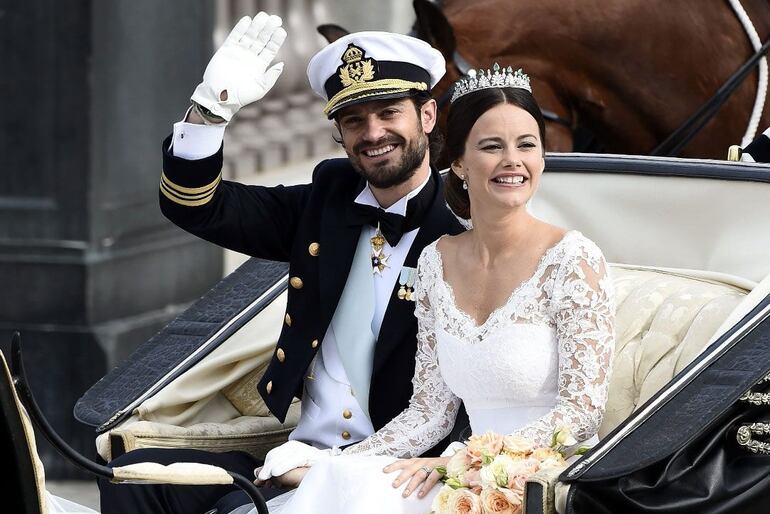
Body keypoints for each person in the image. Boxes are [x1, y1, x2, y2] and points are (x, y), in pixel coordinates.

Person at [97, 12, 467, 514]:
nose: (373, 133)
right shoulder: (326, 200)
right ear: (338, 132)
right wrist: (211, 111)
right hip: (294, 454)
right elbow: (196, 205)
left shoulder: (464, 230)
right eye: (353, 120)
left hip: (396, 474)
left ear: (425, 116)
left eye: (388, 113)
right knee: (135, 479)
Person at [244, 65, 616, 513]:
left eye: (527, 145)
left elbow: (580, 415)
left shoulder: (573, 260)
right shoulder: (437, 260)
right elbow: (430, 412)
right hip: (455, 473)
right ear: (458, 162)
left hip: (549, 481)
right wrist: (338, 462)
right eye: (491, 146)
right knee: (344, 494)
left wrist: (461, 461)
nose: (512, 161)